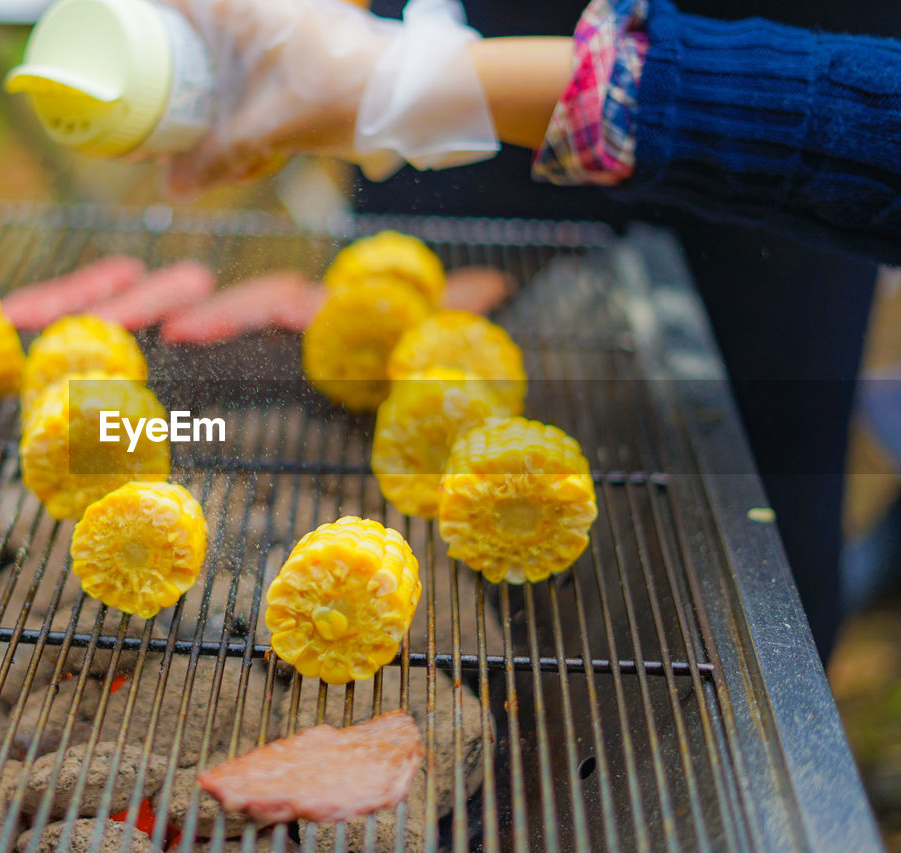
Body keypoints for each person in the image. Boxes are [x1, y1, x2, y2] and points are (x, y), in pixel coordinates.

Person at [159, 0, 901, 659]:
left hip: (794, 34)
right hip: (489, 22)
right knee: (396, 374)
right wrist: (387, 65)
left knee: (763, 476)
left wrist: (410, 81)